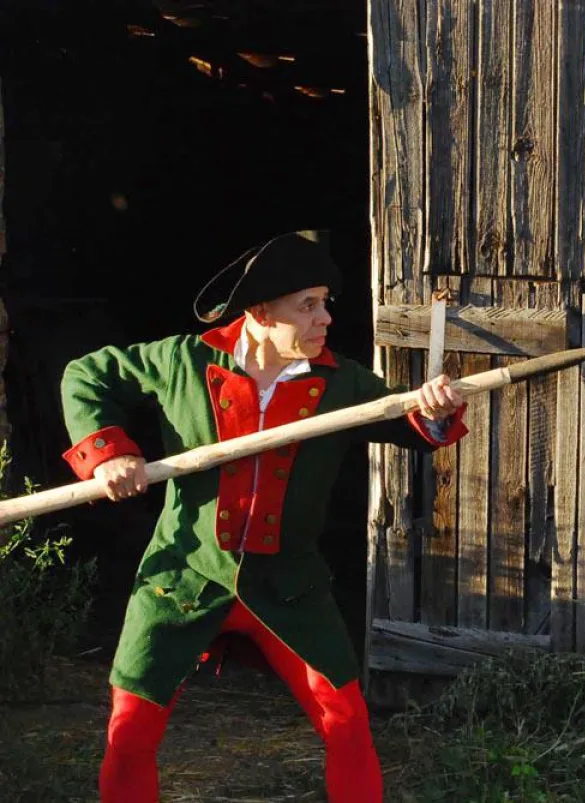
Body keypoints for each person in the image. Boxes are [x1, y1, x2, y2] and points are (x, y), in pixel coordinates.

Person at [60, 232, 467, 803]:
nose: (325, 318)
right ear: (258, 313)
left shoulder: (339, 383)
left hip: (290, 586)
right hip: (183, 576)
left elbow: (410, 425)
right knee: (129, 730)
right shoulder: (184, 361)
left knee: (347, 725)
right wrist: (111, 454)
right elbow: (87, 374)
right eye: (308, 305)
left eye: (325, 302)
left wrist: (434, 409)